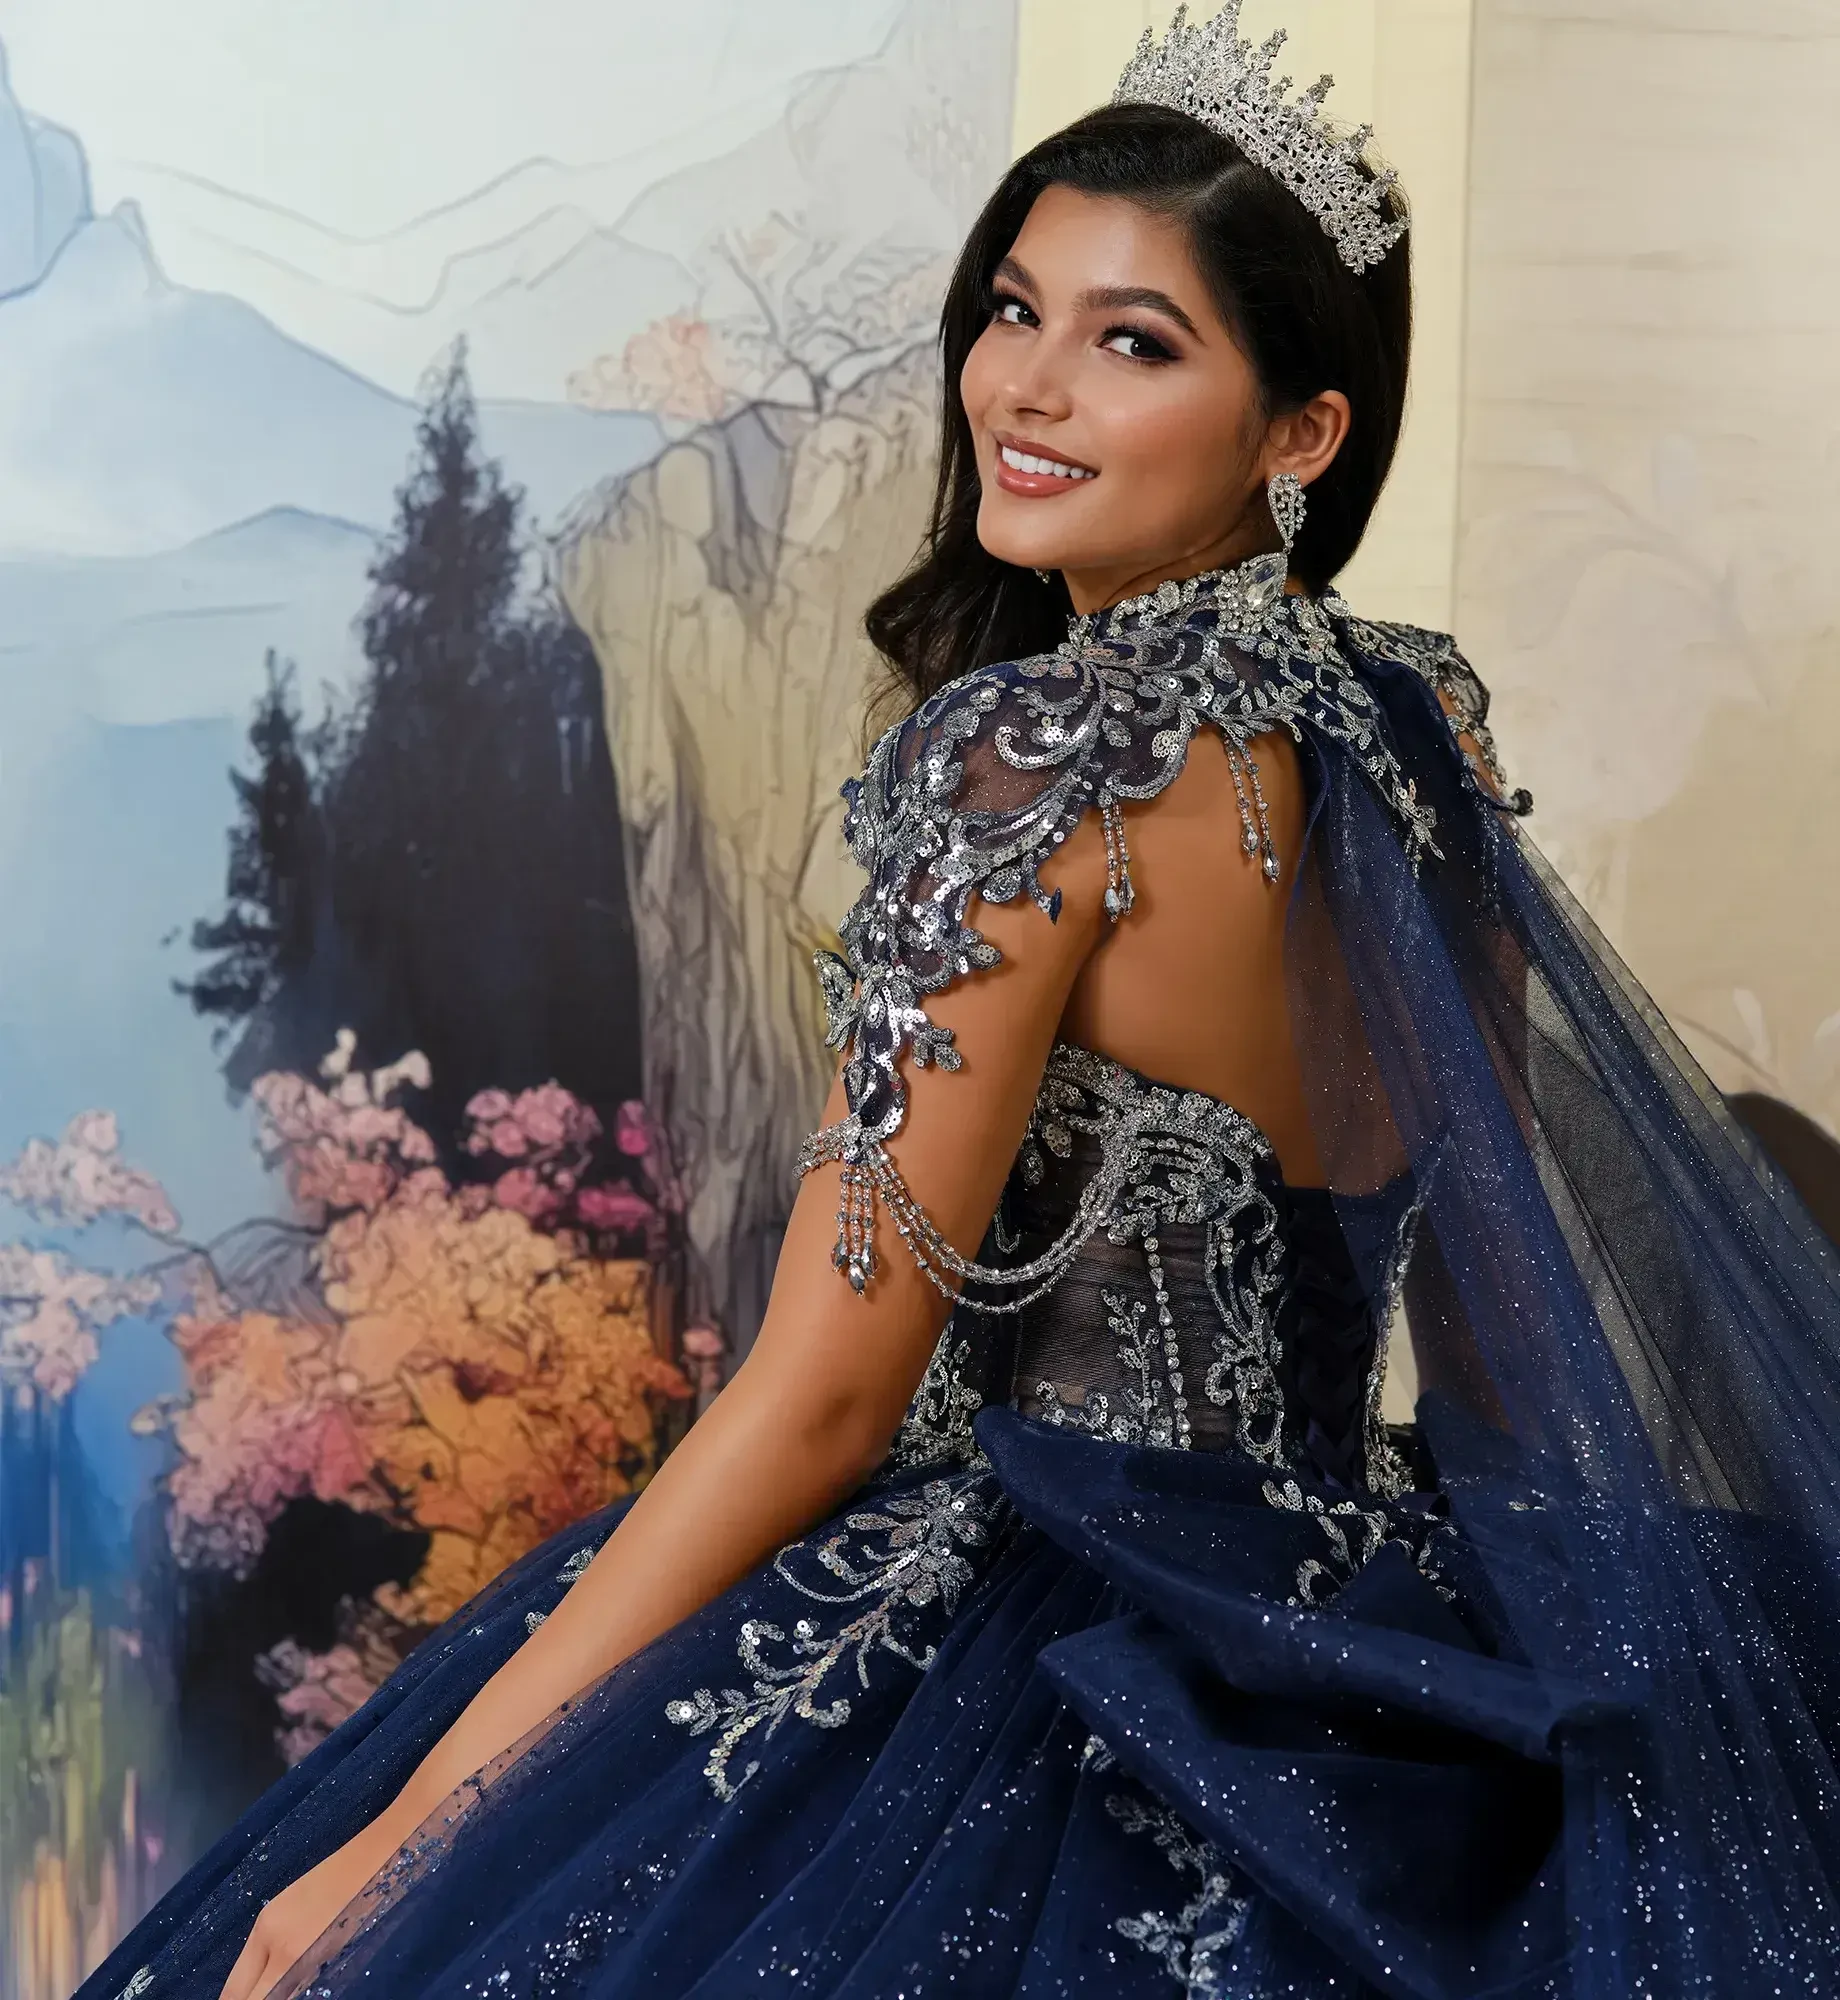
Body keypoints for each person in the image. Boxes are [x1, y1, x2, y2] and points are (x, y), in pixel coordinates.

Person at [82, 7, 1840, 1997]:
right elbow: (1502, 1356)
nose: (1026, 385)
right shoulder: (1421, 731)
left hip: (1040, 1650)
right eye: (1014, 309)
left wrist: (405, 1844)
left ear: (1301, 433)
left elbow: (830, 1395)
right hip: (1368, 1630)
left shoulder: (1032, 760)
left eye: (1134, 341)